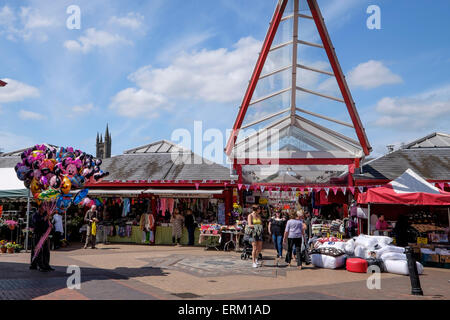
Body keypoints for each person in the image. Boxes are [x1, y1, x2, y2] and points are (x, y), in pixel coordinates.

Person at [30, 207, 54, 272]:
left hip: (45, 235)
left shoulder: (45, 214)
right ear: (39, 208)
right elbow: (36, 223)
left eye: (44, 208)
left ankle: (46, 265)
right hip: (38, 234)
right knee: (38, 250)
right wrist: (44, 218)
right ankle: (39, 265)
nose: (44, 209)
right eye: (43, 208)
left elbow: (47, 223)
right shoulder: (35, 215)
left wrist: (50, 225)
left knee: (46, 250)